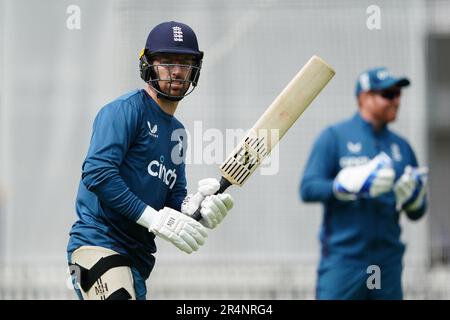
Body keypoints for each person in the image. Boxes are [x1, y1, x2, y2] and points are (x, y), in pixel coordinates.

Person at [67, 21, 234, 300]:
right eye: (167, 61)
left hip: (137, 261)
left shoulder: (178, 133)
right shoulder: (124, 110)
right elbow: (97, 174)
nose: (178, 71)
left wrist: (196, 210)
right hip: (96, 245)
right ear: (148, 66)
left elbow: (173, 199)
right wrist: (154, 219)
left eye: (185, 62)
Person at [299, 67, 428, 300]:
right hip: (344, 262)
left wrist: (414, 201)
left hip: (387, 263)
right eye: (388, 94)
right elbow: (308, 188)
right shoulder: (334, 136)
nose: (397, 101)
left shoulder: (402, 146)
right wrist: (342, 186)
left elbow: (418, 212)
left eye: (399, 94)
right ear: (364, 97)